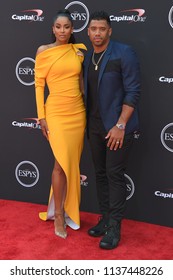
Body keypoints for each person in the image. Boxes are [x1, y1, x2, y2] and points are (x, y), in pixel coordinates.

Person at [83, 11, 141, 249]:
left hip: (117, 128)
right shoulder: (87, 58)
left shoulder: (123, 52)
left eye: (102, 29)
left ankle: (114, 228)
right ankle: (106, 219)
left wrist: (120, 125)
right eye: (93, 29)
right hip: (95, 127)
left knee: (114, 176)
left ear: (109, 31)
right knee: (100, 174)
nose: (97, 33)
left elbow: (133, 91)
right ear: (88, 32)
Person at [34, 9, 87, 239]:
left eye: (67, 27)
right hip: (55, 112)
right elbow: (38, 86)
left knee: (72, 164)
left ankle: (66, 210)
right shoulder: (43, 52)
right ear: (53, 29)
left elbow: (83, 85)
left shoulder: (79, 51)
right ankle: (58, 216)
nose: (63, 31)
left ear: (72, 29)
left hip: (78, 113)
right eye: (59, 27)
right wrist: (42, 117)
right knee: (60, 164)